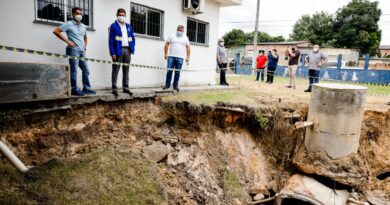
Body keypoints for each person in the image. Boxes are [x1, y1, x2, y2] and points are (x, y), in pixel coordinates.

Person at [53, 7, 96, 96]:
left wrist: (85, 47)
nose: (79, 15)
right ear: (73, 14)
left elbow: (85, 37)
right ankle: (74, 89)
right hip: (73, 50)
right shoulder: (69, 24)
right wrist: (68, 41)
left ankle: (86, 88)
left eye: (80, 13)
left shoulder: (83, 26)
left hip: (82, 51)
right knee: (74, 71)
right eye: (77, 13)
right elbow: (56, 31)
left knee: (86, 70)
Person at [109, 8, 136, 97]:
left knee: (126, 70)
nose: (121, 16)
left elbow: (132, 38)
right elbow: (111, 41)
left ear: (125, 16)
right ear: (117, 15)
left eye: (123, 15)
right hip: (118, 50)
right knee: (116, 69)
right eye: (120, 15)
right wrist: (112, 53)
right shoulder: (113, 26)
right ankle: (114, 89)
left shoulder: (128, 26)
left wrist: (132, 48)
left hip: (127, 50)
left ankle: (126, 88)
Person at [163, 25, 191, 92]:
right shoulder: (172, 35)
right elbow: (166, 44)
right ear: (177, 29)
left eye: (181, 30)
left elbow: (188, 47)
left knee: (177, 73)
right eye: (178, 30)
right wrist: (166, 54)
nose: (179, 31)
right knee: (169, 71)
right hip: (171, 57)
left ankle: (175, 86)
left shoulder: (185, 38)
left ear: (183, 31)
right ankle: (167, 85)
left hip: (180, 58)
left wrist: (188, 57)